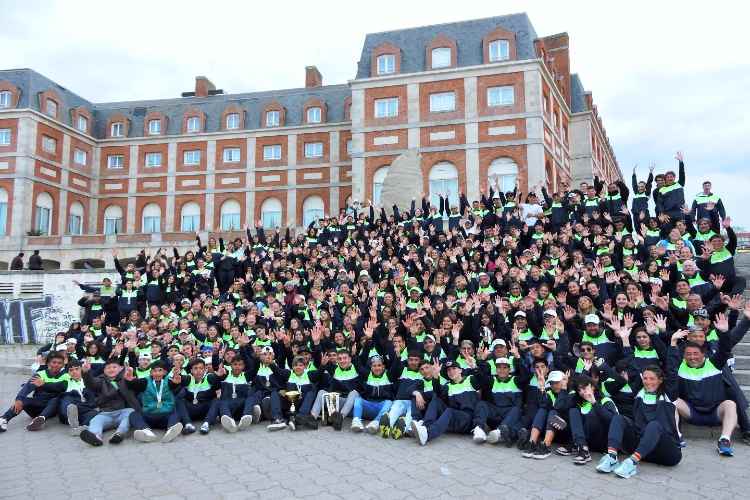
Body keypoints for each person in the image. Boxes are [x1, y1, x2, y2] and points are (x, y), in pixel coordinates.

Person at [0, 352, 68, 432]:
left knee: (56, 399)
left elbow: (61, 387)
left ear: (63, 365)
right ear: (49, 363)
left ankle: (40, 419)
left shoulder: (66, 376)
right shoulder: (40, 374)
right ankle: (4, 419)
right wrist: (19, 399)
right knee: (21, 401)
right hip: (37, 405)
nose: (56, 365)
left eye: (59, 363)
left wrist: (43, 384)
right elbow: (27, 388)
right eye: (54, 362)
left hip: (52, 409)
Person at [78, 358, 138, 446]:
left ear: (120, 368)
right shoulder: (101, 380)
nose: (111, 369)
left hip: (123, 411)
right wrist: (86, 373)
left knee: (130, 413)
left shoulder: (125, 378)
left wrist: (131, 379)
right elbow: (91, 383)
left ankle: (119, 434)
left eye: (114, 367)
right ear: (104, 370)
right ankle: (95, 436)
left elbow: (136, 385)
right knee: (95, 420)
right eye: (108, 368)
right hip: (106, 413)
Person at [125, 361, 184, 443]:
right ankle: (146, 432)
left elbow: (177, 384)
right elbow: (134, 384)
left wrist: (177, 382)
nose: (157, 373)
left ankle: (171, 430)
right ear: (151, 373)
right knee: (133, 415)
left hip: (165, 416)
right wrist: (129, 381)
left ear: (164, 372)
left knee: (176, 413)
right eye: (154, 371)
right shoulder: (145, 381)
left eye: (160, 370)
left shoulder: (170, 381)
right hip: (149, 415)